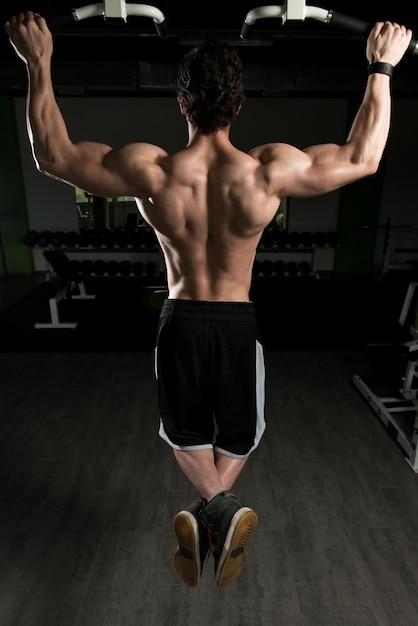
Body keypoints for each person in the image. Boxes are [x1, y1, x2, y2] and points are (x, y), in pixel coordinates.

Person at [4, 12, 412, 588]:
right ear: (239, 106)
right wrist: (382, 67)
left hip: (179, 319)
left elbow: (54, 155)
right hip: (237, 323)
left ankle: (212, 511)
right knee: (242, 436)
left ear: (182, 104)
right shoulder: (267, 172)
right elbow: (363, 156)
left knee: (183, 435)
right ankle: (221, 508)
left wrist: (38, 63)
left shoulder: (155, 171)